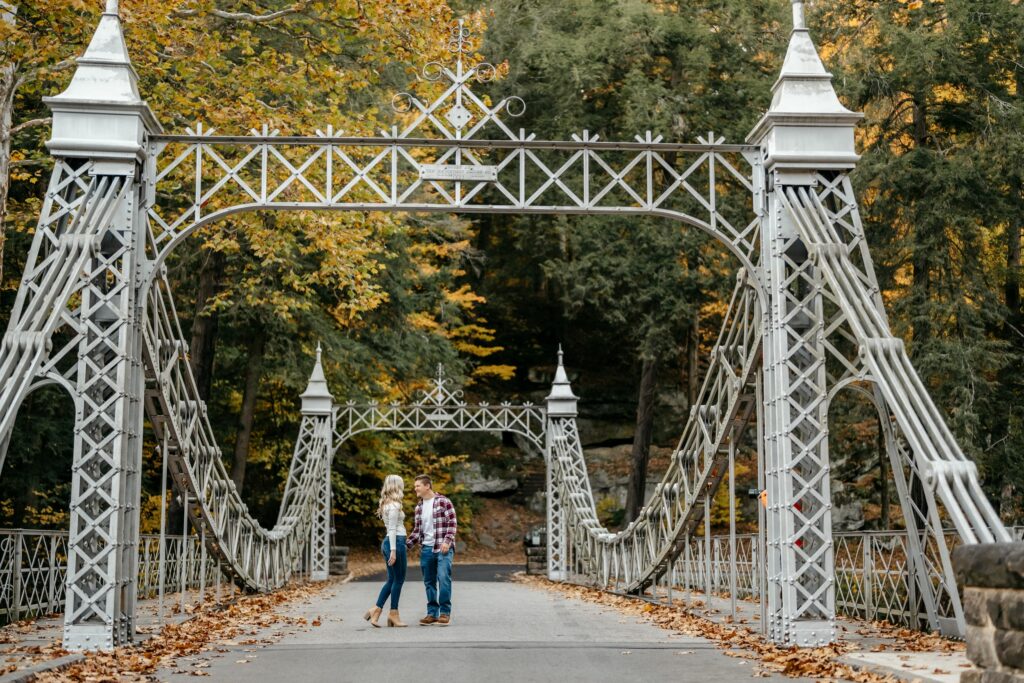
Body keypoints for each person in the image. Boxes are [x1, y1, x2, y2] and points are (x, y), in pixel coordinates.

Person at [406, 474, 457, 625]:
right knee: (429, 582)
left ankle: (445, 613)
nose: (415, 488)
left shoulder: (443, 502)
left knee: (443, 578)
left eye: (417, 486)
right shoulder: (419, 507)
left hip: (443, 548)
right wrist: (405, 546)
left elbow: (452, 523)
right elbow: (417, 531)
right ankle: (432, 613)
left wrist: (447, 541)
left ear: (427, 486)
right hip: (427, 549)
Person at [363, 474, 408, 627]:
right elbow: (394, 529)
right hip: (395, 542)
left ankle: (376, 609)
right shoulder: (395, 505)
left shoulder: (386, 504)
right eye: (401, 484)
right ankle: (393, 614)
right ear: (396, 486)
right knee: (398, 580)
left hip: (388, 542)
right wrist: (394, 551)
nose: (403, 487)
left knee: (391, 579)